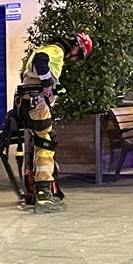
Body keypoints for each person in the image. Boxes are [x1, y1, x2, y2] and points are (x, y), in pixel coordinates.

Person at [17, 31, 93, 213]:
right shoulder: (56, 50)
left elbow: (32, 72)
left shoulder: (48, 48)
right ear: (76, 47)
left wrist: (55, 86)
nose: (75, 59)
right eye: (79, 55)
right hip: (36, 103)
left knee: (41, 142)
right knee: (46, 143)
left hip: (26, 102)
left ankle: (37, 190)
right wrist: (48, 84)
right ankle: (43, 196)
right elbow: (40, 61)